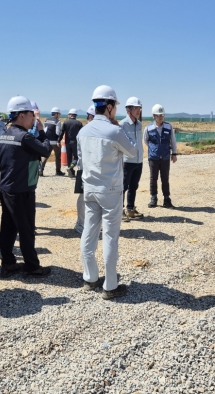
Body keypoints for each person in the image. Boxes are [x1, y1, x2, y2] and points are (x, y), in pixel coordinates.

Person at [78, 86, 136, 299]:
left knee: (89, 232)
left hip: (89, 189)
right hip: (110, 190)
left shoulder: (83, 132)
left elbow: (81, 160)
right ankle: (110, 286)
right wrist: (118, 129)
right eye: (115, 107)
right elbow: (133, 151)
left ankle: (90, 278)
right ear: (109, 107)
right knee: (110, 237)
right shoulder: (114, 131)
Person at [0, 96, 52, 278]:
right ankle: (32, 266)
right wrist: (42, 132)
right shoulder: (25, 137)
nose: (34, 119)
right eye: (31, 115)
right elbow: (45, 150)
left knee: (8, 228)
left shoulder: (4, 134)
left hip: (6, 188)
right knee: (26, 229)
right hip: (22, 190)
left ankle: (8, 264)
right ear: (22, 115)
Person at [144, 104, 178, 209]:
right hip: (153, 158)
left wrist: (174, 153)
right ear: (154, 116)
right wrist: (154, 149)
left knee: (165, 178)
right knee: (153, 178)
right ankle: (153, 198)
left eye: (162, 115)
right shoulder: (148, 128)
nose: (160, 117)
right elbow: (146, 141)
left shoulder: (169, 127)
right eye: (158, 115)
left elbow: (173, 141)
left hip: (165, 157)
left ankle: (167, 199)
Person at [120, 97, 144, 221]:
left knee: (134, 186)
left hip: (138, 161)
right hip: (127, 161)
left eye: (139, 108)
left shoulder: (139, 124)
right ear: (128, 109)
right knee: (123, 187)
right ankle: (119, 211)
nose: (138, 110)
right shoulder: (122, 124)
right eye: (135, 108)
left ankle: (130, 209)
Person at [74, 105, 95, 234]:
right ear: (91, 116)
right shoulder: (85, 131)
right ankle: (80, 224)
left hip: (92, 168)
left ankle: (88, 223)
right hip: (84, 168)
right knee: (83, 196)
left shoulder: (92, 130)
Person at [40, 106, 65, 176]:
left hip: (47, 141)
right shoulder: (57, 122)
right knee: (58, 157)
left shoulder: (46, 120)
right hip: (55, 142)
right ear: (56, 114)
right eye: (59, 114)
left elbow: (45, 130)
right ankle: (58, 171)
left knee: (45, 156)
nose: (59, 115)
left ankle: (40, 170)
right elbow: (57, 132)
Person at [61, 108, 83, 178]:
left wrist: (58, 140)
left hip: (67, 142)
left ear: (70, 115)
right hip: (75, 142)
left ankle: (70, 173)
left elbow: (62, 132)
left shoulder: (65, 122)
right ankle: (71, 167)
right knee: (76, 157)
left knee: (69, 157)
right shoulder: (79, 123)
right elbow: (82, 133)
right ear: (75, 115)